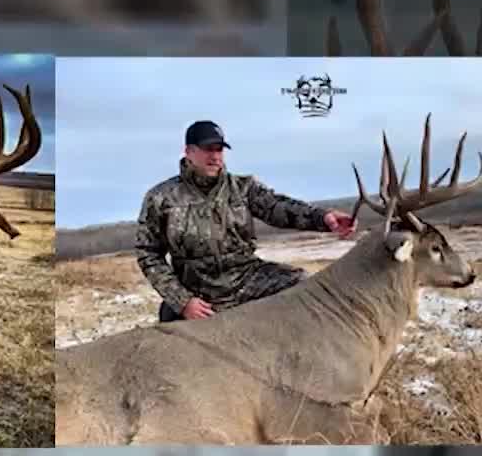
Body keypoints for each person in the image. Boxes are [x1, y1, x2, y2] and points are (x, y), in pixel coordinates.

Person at [136, 119, 356, 322]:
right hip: (198, 290)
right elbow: (148, 254)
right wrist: (183, 302)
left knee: (303, 287)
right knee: (172, 338)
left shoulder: (243, 187)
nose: (215, 156)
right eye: (207, 149)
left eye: (219, 149)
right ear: (189, 152)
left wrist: (323, 218)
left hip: (246, 279)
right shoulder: (161, 198)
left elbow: (277, 207)